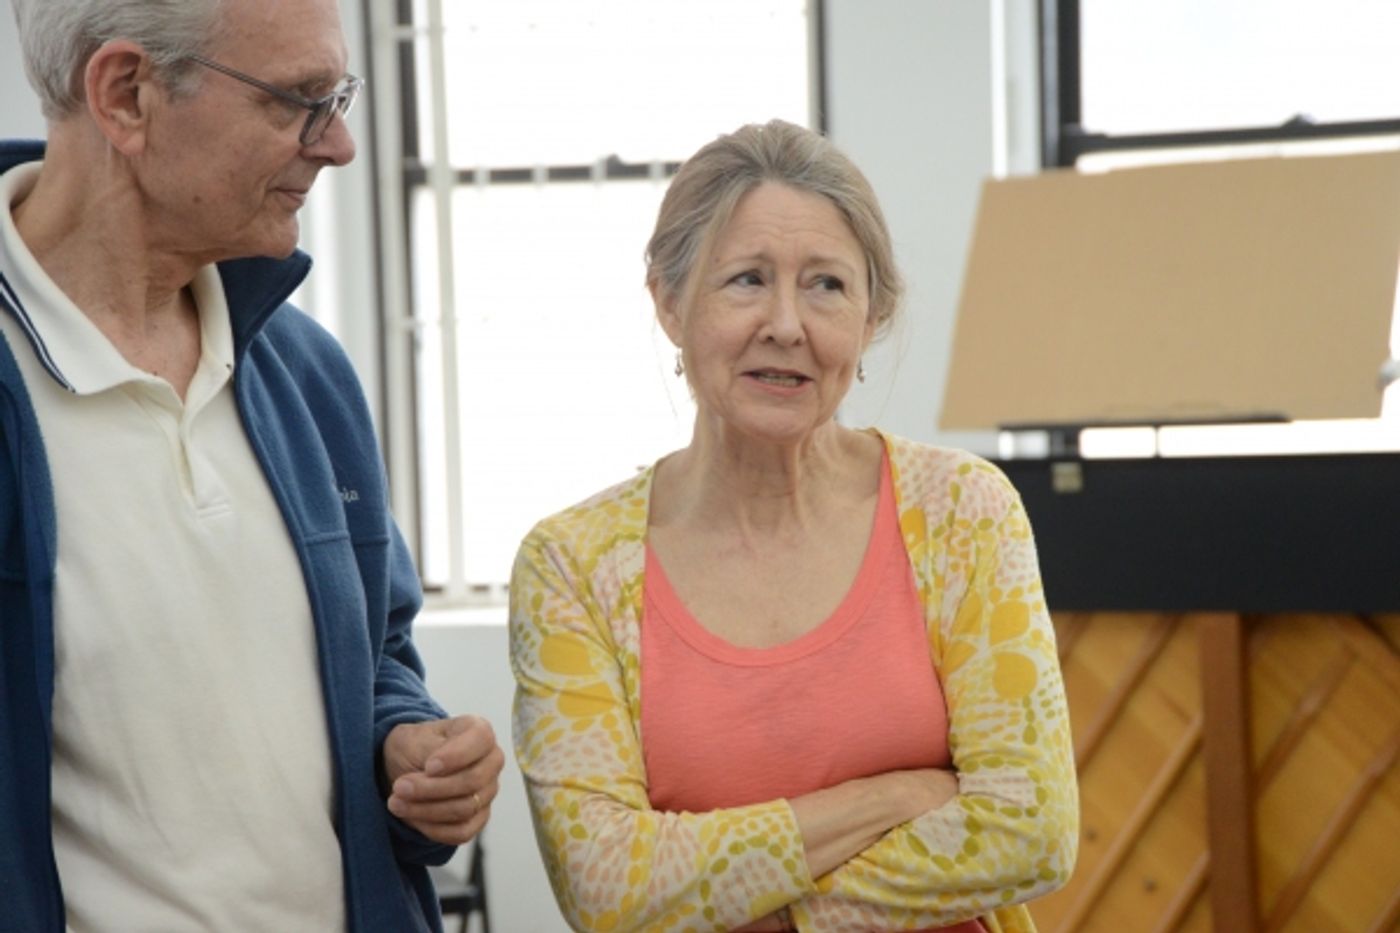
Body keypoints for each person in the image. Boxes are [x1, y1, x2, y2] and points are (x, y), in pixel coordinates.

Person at [0, 1, 503, 930]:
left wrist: (406, 745)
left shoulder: (304, 372)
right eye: (300, 101)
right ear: (127, 95)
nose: (342, 144)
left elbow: (378, 654)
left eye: (337, 96)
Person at [509, 119, 1078, 932]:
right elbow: (605, 884)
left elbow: (1034, 830)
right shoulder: (572, 565)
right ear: (669, 304)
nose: (787, 324)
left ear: (872, 317)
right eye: (745, 280)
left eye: (827, 286)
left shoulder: (964, 512)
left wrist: (778, 917)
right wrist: (891, 796)